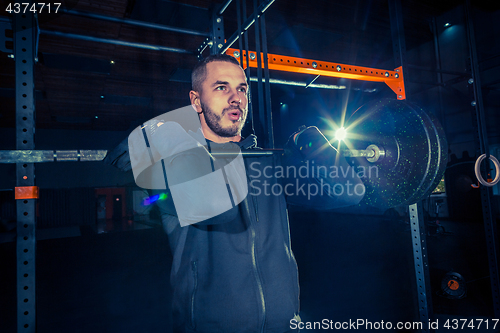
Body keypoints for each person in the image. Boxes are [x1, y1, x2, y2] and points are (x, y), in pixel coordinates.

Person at [105, 54, 364, 333]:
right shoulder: (172, 166)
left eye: (241, 89)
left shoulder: (265, 164)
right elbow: (220, 206)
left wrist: (314, 143)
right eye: (221, 87)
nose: (236, 97)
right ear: (195, 101)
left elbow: (350, 192)